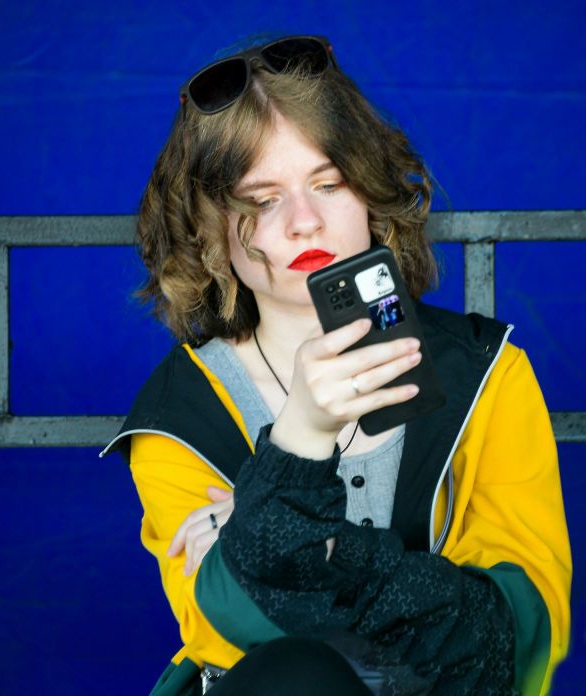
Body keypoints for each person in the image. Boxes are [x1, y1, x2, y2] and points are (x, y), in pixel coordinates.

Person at [101, 35, 571, 694]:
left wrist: (306, 543)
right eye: (261, 199)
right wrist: (301, 437)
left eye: (329, 183)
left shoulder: (488, 373)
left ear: (371, 192)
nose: (304, 221)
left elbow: (507, 636)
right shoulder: (179, 412)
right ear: (209, 231)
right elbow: (237, 629)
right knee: (298, 674)